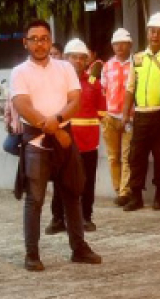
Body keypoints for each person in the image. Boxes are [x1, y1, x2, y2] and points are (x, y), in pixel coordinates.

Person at [9, 19, 102, 272]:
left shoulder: (65, 68)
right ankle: (32, 254)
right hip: (36, 143)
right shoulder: (20, 72)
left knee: (72, 194)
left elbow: (75, 101)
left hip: (64, 139)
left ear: (51, 41)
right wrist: (51, 129)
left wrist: (58, 123)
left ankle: (79, 248)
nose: (39, 43)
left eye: (44, 38)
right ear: (25, 42)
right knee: (35, 199)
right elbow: (22, 106)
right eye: (34, 39)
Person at [47, 39, 105, 235]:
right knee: (60, 181)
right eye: (74, 57)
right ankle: (57, 219)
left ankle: (86, 217)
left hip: (89, 143)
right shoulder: (57, 84)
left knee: (87, 182)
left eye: (82, 58)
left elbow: (101, 112)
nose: (78, 61)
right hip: (64, 142)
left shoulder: (94, 84)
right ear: (65, 58)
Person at [122, 12, 160, 211]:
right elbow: (130, 87)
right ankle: (135, 197)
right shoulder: (137, 58)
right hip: (141, 114)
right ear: (147, 33)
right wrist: (124, 113)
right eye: (152, 31)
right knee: (136, 158)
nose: (155, 35)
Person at [100, 28, 134, 205]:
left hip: (129, 117)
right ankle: (117, 189)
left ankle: (124, 192)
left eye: (123, 43)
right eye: (116, 44)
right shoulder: (107, 66)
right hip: (110, 116)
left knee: (126, 156)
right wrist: (103, 115)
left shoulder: (136, 64)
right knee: (113, 157)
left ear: (130, 45)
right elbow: (102, 91)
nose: (119, 47)